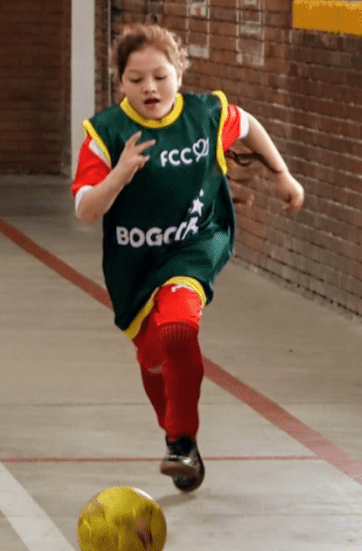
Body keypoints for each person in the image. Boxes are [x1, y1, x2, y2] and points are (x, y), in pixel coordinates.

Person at [71, 23, 304, 492]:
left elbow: (249, 125)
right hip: (135, 262)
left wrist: (282, 174)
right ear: (120, 82)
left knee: (180, 326)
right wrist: (118, 175)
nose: (149, 88)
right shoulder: (107, 132)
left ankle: (179, 441)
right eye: (136, 80)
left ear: (179, 71)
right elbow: (85, 211)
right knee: (154, 358)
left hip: (197, 242)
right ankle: (183, 444)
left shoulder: (205, 114)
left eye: (160, 75)